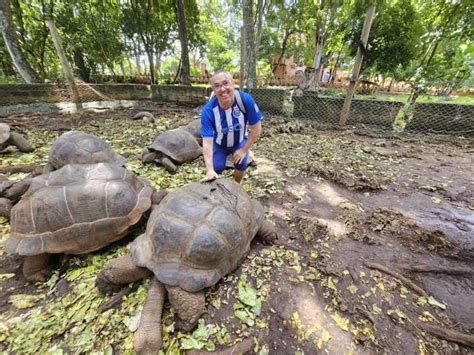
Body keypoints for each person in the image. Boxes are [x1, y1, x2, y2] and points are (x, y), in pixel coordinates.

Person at [201, 70, 262, 183]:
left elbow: (257, 128)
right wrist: (209, 170)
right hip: (219, 143)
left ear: (233, 84)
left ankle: (237, 184)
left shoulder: (245, 100)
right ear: (214, 90)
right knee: (216, 167)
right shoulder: (208, 111)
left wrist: (243, 150)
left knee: (241, 162)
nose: (222, 89)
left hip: (239, 141)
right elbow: (207, 142)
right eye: (217, 86)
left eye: (225, 83)